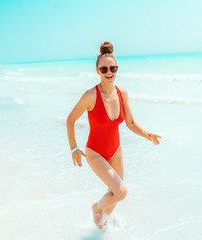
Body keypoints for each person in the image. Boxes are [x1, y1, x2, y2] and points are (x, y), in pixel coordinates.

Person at [66, 41, 161, 230]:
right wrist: (74, 148)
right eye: (104, 69)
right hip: (95, 153)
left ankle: (101, 227)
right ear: (97, 70)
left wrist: (146, 134)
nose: (109, 72)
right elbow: (70, 120)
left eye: (113, 68)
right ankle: (96, 207)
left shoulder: (122, 93)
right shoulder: (90, 95)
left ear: (117, 69)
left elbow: (130, 123)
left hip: (116, 150)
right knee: (121, 192)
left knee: (115, 195)